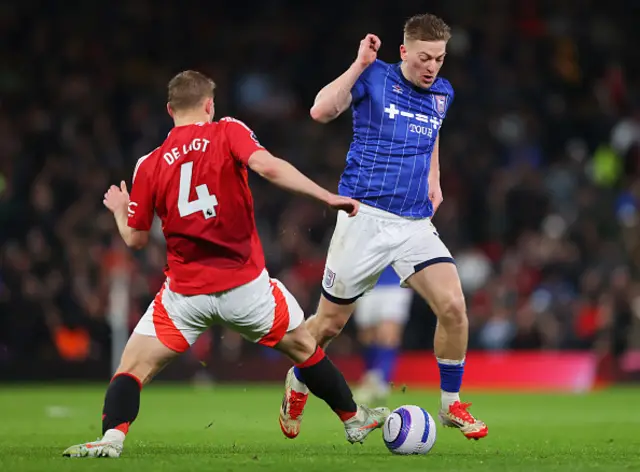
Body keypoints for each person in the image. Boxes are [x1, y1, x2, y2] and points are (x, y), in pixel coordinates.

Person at [62, 70, 389, 458]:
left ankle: (111, 439)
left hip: (184, 296)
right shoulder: (227, 130)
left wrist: (119, 209)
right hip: (246, 292)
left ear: (170, 110)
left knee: (131, 368)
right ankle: (353, 420)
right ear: (209, 105)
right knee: (305, 348)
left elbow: (134, 238)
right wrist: (325, 195)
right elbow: (268, 167)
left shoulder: (147, 164)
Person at [279, 14, 488, 441]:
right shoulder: (373, 76)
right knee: (329, 326)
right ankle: (297, 381)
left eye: (440, 59)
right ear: (404, 52)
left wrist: (435, 176)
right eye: (425, 57)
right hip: (364, 217)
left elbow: (431, 136)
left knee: (453, 305)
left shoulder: (443, 93)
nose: (433, 67)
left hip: (413, 222)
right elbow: (320, 110)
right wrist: (358, 64)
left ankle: (451, 404)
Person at [353, 266, 412, 405]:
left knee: (388, 334)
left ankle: (381, 380)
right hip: (366, 284)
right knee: (367, 336)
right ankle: (371, 376)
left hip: (395, 284)